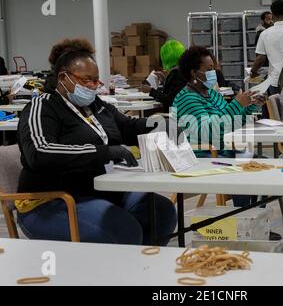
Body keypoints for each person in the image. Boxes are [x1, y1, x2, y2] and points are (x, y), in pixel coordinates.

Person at [16, 38, 177, 245]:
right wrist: (105, 152)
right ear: (64, 78)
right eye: (86, 80)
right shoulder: (42, 107)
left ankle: (138, 267)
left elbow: (126, 127)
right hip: (51, 201)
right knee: (123, 229)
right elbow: (40, 152)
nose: (93, 86)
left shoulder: (95, 105)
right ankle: (117, 270)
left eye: (96, 80)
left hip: (98, 190)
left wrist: (159, 124)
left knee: (161, 213)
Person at [172, 46, 266, 208]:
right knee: (241, 171)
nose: (214, 72)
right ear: (194, 73)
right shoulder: (187, 98)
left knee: (263, 165)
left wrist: (250, 106)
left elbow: (229, 123)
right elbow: (209, 131)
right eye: (209, 69)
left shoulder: (212, 94)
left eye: (214, 68)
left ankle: (257, 220)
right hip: (199, 154)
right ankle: (243, 219)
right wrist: (236, 104)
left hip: (221, 150)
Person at [140, 40, 186, 112]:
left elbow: (170, 100)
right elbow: (175, 91)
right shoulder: (184, 71)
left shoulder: (176, 73)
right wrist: (165, 81)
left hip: (175, 117)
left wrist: (151, 91)